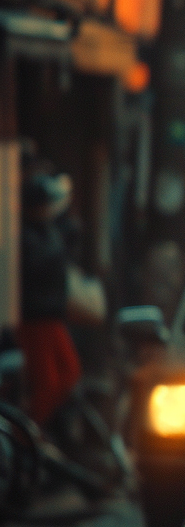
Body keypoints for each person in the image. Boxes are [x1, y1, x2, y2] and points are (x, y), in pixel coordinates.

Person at [17, 165, 83, 427]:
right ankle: (29, 432)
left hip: (53, 314)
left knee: (68, 373)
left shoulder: (48, 229)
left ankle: (36, 428)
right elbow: (39, 264)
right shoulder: (25, 235)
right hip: (36, 318)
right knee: (47, 383)